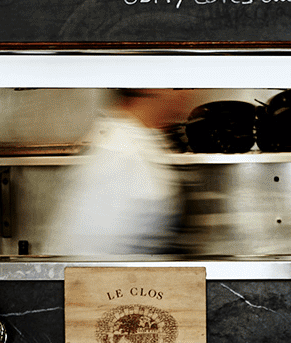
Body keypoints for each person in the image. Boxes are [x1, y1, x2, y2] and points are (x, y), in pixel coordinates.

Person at [40, 88, 198, 256]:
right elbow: (86, 256)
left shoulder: (137, 144)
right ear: (150, 88)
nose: (189, 92)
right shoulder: (119, 156)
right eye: (180, 86)